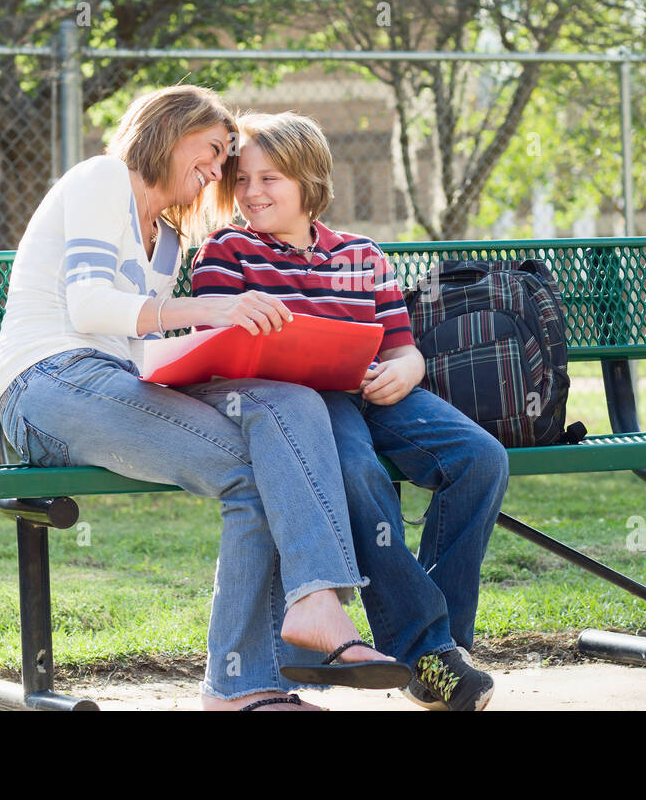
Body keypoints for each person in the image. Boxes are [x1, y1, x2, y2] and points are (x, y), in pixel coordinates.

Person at [0, 85, 407, 711]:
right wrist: (210, 308)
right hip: (48, 386)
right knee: (261, 468)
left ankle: (268, 664)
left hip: (112, 385)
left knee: (285, 420)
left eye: (223, 161)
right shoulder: (105, 178)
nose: (217, 171)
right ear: (168, 131)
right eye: (212, 151)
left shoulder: (167, 239)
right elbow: (90, 305)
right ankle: (254, 672)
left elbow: (140, 346)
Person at [190, 111, 511, 710]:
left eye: (272, 179)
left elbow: (402, 344)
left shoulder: (360, 254)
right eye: (243, 181)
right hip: (304, 406)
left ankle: (442, 647)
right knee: (357, 470)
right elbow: (220, 347)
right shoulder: (225, 251)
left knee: (481, 458)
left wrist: (404, 372)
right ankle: (426, 652)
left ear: (309, 180)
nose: (253, 193)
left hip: (375, 392)